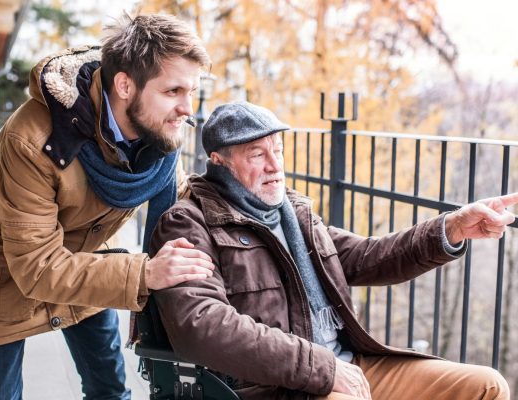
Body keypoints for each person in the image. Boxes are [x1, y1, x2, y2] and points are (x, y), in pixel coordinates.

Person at [150, 101, 512, 400]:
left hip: (349, 363)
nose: (275, 165)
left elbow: (369, 256)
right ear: (219, 161)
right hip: (280, 386)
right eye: (257, 154)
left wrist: (451, 228)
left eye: (277, 150)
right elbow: (204, 326)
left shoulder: (293, 215)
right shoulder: (188, 222)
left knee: (487, 386)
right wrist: (322, 369)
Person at [0, 14, 216, 400]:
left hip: (81, 260)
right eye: (173, 91)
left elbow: (179, 200)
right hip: (7, 280)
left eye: (192, 91)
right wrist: (145, 273)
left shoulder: (157, 137)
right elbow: (36, 266)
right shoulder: (31, 141)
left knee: (112, 392)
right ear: (125, 85)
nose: (188, 108)